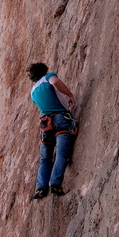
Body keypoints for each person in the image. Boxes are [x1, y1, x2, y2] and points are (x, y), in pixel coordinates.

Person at [27, 62, 77, 199]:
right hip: (60, 119)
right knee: (62, 152)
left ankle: (41, 188)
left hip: (45, 125)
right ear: (45, 70)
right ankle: (55, 183)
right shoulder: (49, 77)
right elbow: (55, 82)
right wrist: (70, 95)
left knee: (45, 159)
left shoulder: (32, 92)